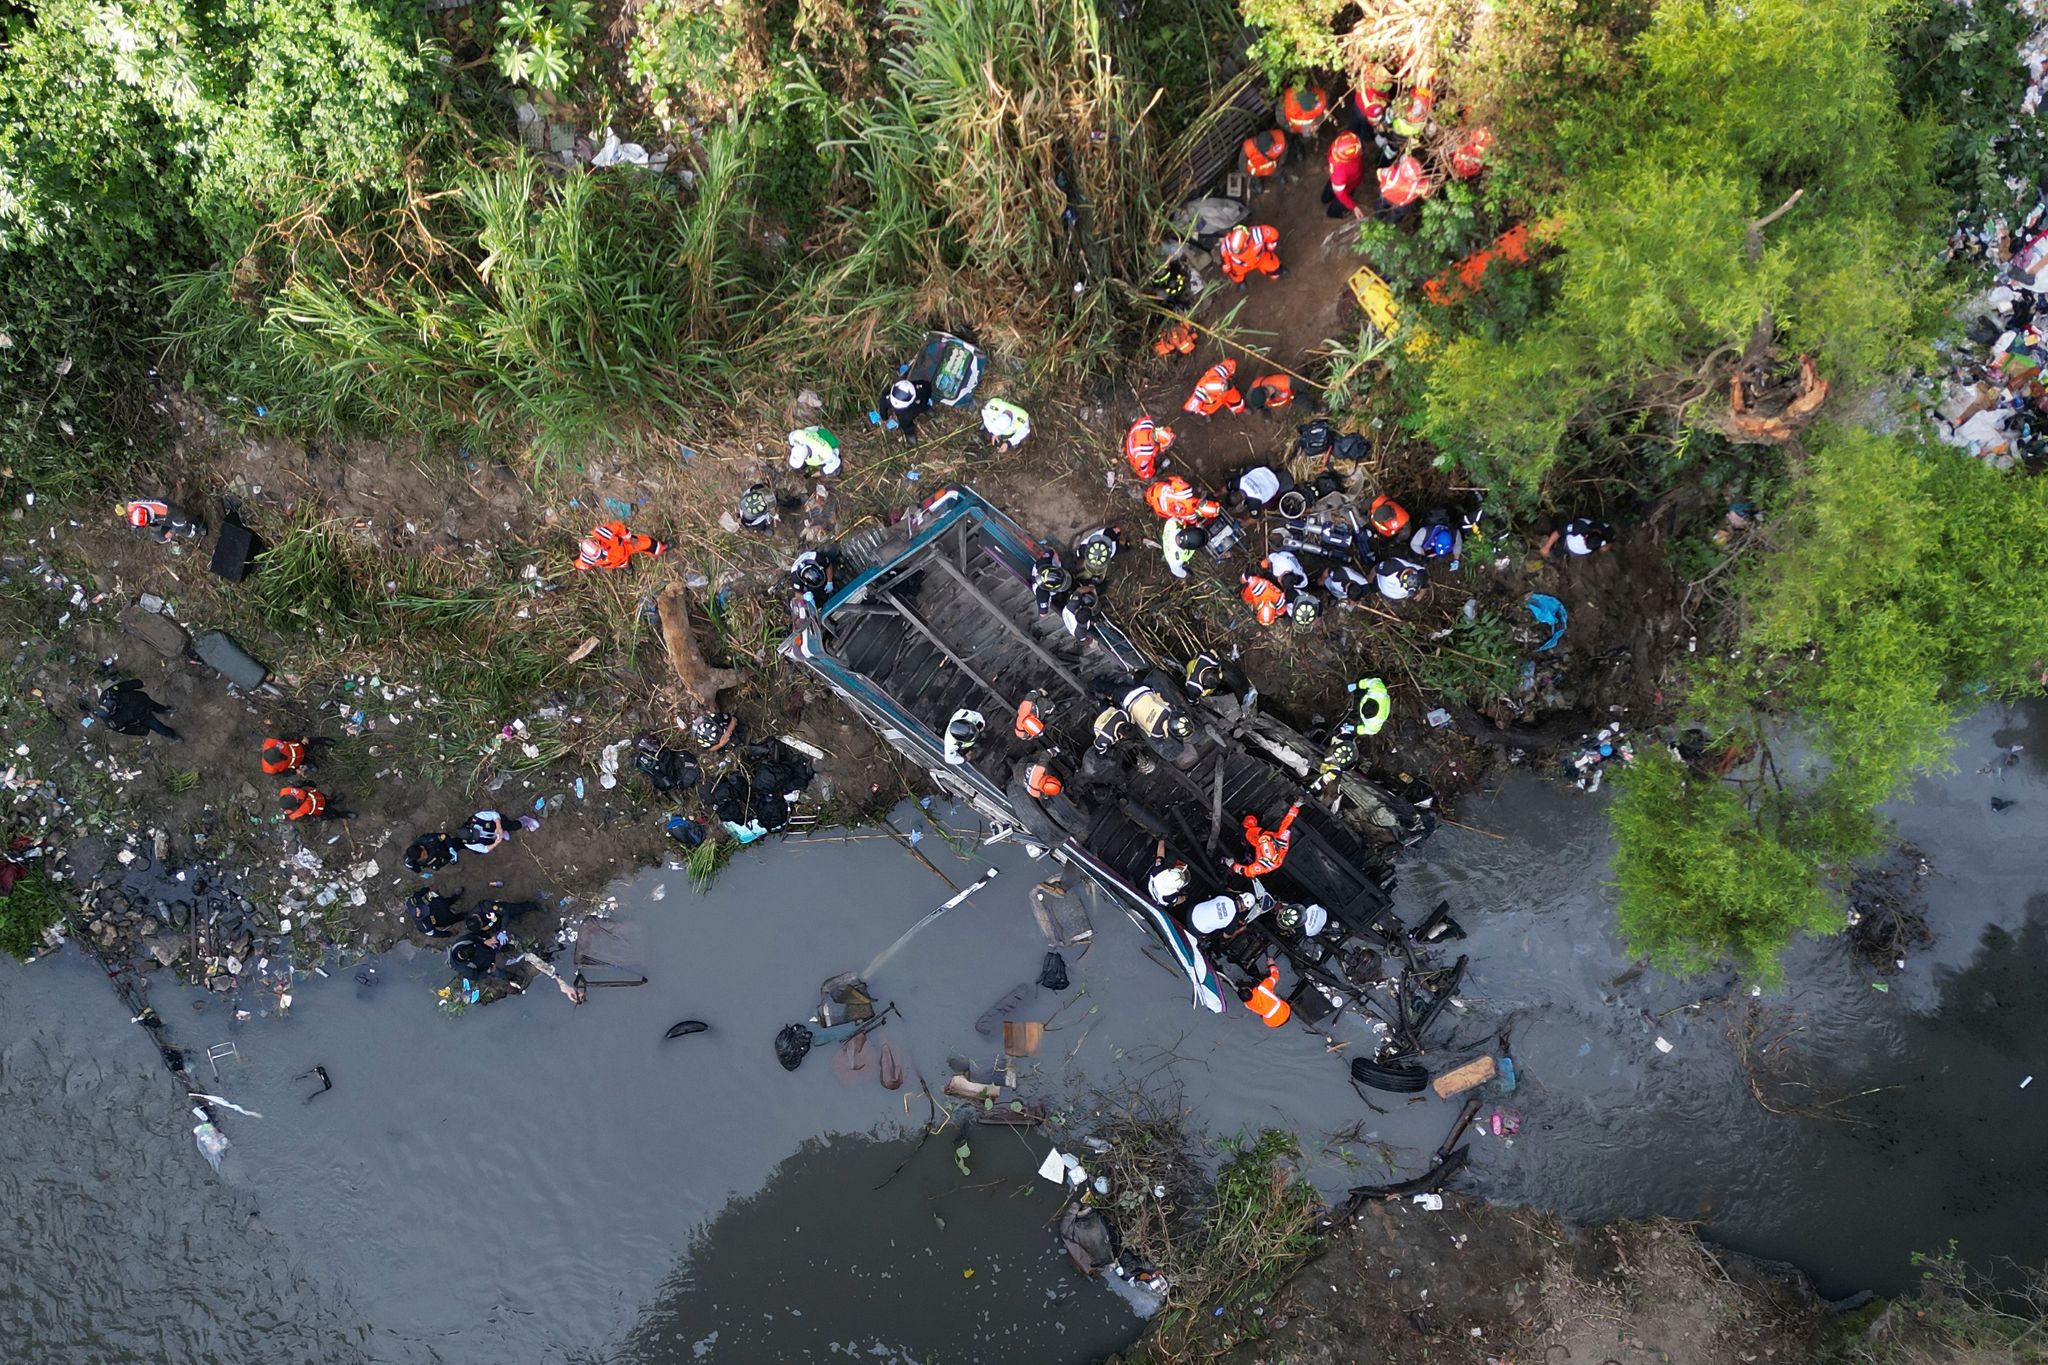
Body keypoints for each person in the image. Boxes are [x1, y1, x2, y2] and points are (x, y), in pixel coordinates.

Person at [92, 679, 179, 740]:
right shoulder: (113, 723)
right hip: (143, 717)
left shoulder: (109, 694)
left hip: (142, 700)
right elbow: (128, 730)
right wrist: (143, 731)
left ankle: (165, 710)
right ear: (111, 713)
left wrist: (138, 683)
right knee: (159, 728)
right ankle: (172, 735)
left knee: (156, 706)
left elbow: (124, 686)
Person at [1231, 803, 1300, 878]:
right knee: (1247, 828)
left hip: (1258, 844)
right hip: (1264, 835)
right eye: (1264, 841)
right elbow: (1287, 824)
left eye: (1263, 841)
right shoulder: (1282, 840)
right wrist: (1296, 806)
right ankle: (1254, 816)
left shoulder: (1264, 865)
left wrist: (1233, 865)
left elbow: (1247, 872)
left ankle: (1252, 819)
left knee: (1244, 832)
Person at [576, 520, 666, 572]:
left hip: (625, 545)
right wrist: (577, 566)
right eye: (599, 556)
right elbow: (580, 565)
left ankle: (659, 548)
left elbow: (618, 527)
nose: (603, 555)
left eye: (601, 552)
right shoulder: (586, 559)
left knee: (647, 543)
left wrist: (629, 537)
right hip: (615, 561)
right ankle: (626, 566)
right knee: (623, 564)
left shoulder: (603, 533)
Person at [1323, 131, 1370, 219]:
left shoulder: (1339, 145)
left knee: (1327, 194)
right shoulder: (1341, 173)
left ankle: (1325, 198)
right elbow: (1340, 193)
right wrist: (1354, 207)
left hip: (1335, 180)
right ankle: (1334, 213)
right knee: (1334, 209)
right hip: (1347, 185)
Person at [1217, 225, 1283, 286]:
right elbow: (1224, 258)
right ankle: (1241, 282)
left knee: (1273, 267)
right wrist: (1226, 267)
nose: (1235, 253)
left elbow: (1273, 233)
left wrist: (1271, 244)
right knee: (1235, 275)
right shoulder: (1226, 246)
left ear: (1245, 243)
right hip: (1241, 266)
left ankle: (1275, 271)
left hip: (1261, 258)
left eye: (1240, 250)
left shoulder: (1258, 235)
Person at [1147, 475, 1223, 524]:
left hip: (1156, 490)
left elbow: (1173, 479)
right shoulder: (1191, 516)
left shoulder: (1186, 491)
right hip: (1159, 509)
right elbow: (1191, 523)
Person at [119, 499, 201, 543]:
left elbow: (180, 519)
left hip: (172, 515)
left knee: (187, 531)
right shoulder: (132, 507)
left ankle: (195, 528)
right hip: (156, 520)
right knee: (159, 537)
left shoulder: (162, 510)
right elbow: (126, 500)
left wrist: (172, 532)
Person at [1240, 959, 1292, 1028]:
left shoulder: (1249, 1004)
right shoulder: (1262, 989)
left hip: (1277, 1018)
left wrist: (1272, 965)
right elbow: (1275, 976)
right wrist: (1271, 965)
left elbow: (1275, 976)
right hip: (1280, 1016)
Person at [1541, 517, 1617, 559]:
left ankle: (1561, 555)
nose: (1584, 543)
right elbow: (1559, 531)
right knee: (1554, 553)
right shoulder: (1580, 527)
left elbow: (1611, 540)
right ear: (1586, 535)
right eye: (1585, 541)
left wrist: (1608, 546)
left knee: (1562, 553)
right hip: (1567, 543)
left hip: (1578, 552)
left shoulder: (1608, 532)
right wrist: (1547, 547)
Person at [1348, 66, 1393, 132]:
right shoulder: (1375, 105)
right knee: (1364, 126)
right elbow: (1372, 118)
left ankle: (1350, 131)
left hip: (1358, 103)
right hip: (1363, 112)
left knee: (1354, 121)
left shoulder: (1368, 76)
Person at [1146, 840, 1191, 907]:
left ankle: (1177, 847)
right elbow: (1178, 900)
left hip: (1155, 887)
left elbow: (1160, 856)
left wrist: (1161, 839)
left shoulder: (1156, 873)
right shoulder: (1169, 897)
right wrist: (1185, 898)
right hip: (1161, 900)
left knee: (1172, 855)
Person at [260, 735, 332, 776]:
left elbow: (287, 735)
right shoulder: (270, 770)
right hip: (296, 762)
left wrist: (300, 738)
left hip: (298, 747)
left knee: (310, 742)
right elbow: (283, 774)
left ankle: (322, 741)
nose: (284, 757)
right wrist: (295, 772)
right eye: (281, 758)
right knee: (306, 762)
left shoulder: (271, 742)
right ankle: (309, 763)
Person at [1032, 549, 1072, 616]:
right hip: (1054, 594)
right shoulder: (1043, 595)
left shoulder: (1044, 562)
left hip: (1058, 570)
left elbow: (1051, 550)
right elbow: (1043, 614)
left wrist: (1058, 562)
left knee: (1069, 558)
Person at [278, 786, 343, 821]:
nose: (297, 798)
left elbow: (295, 786)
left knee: (327, 800)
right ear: (293, 806)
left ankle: (332, 801)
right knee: (332, 812)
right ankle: (341, 815)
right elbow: (308, 819)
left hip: (317, 796)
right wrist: (319, 818)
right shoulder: (295, 815)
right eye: (295, 800)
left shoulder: (285, 791)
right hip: (318, 809)